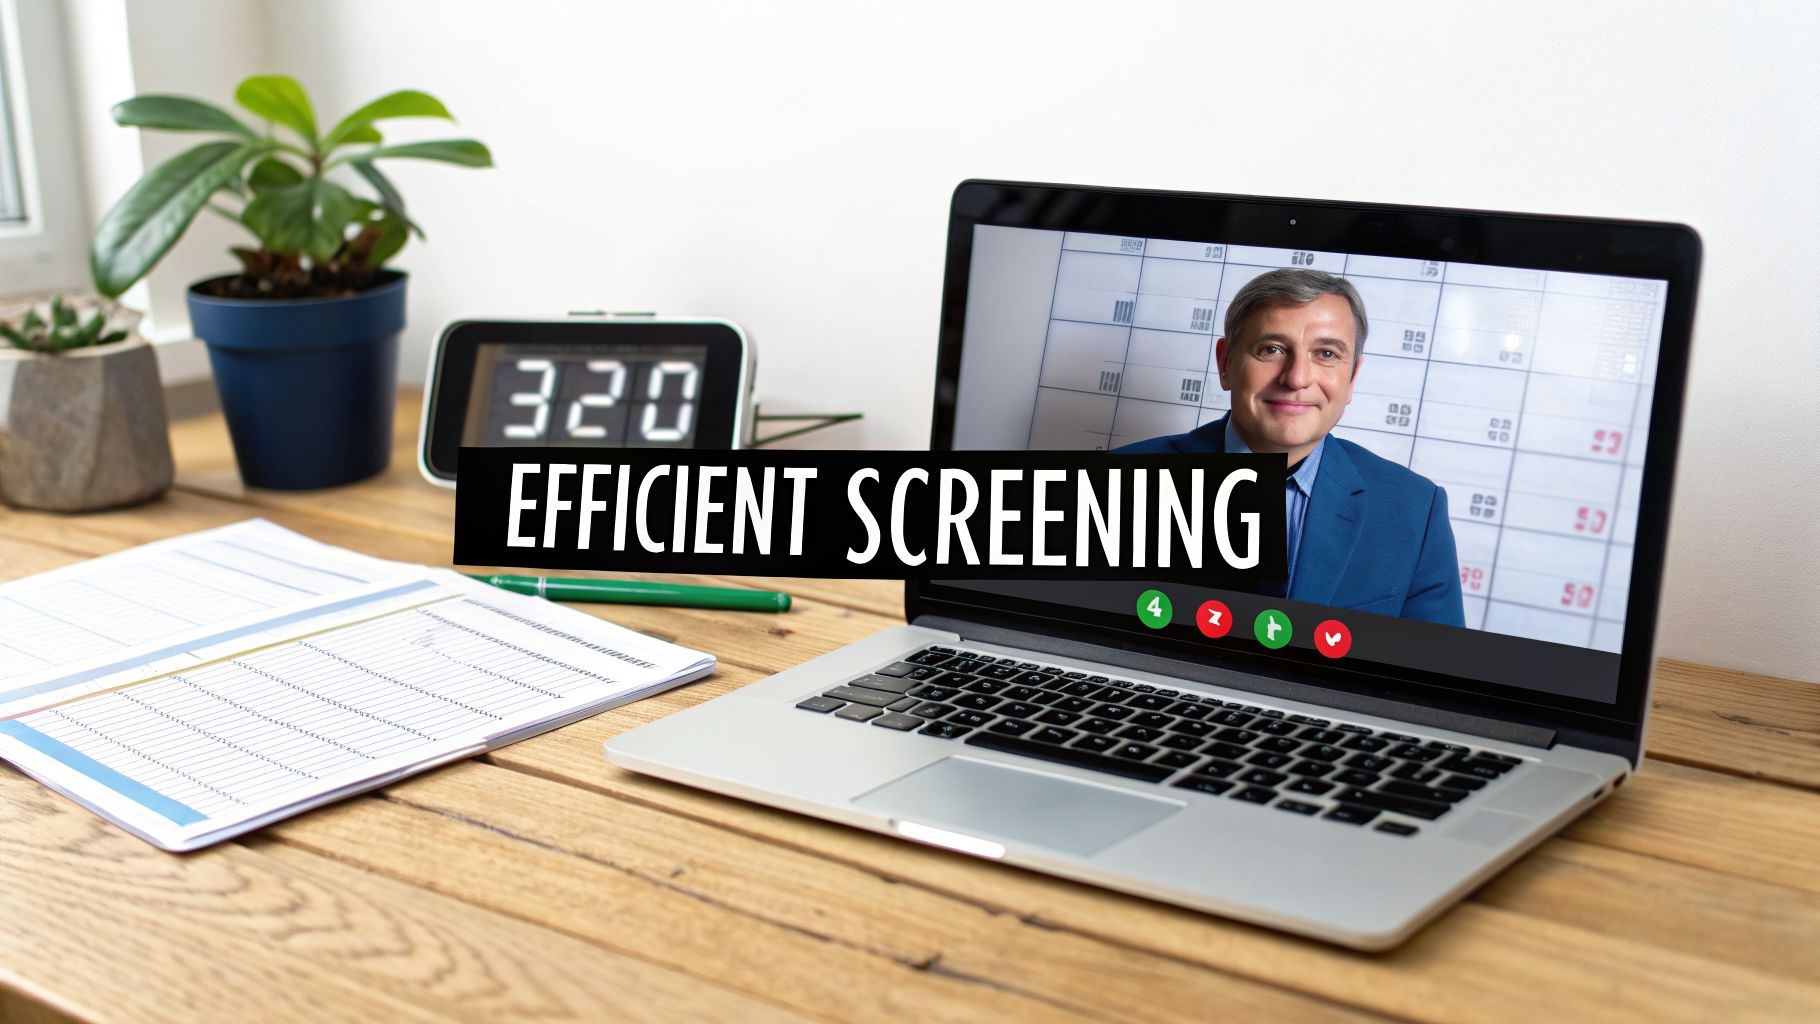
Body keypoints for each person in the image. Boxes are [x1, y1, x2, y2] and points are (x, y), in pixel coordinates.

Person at [1115, 268, 1465, 626]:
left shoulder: (1415, 512)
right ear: (1226, 363)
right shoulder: (1119, 484)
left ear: (1351, 378)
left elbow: (1435, 659)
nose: (1297, 378)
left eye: (1326, 353)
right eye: (1272, 349)